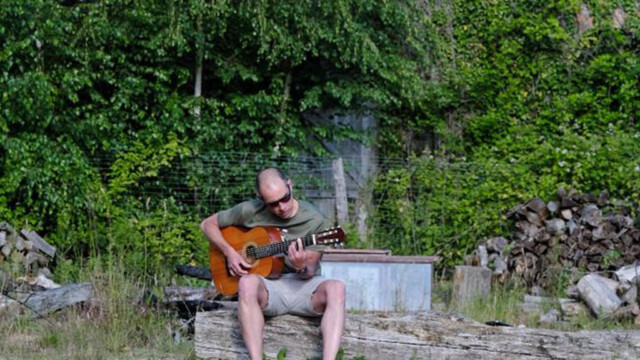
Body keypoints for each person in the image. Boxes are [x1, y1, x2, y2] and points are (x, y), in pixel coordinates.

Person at [200, 167, 346, 360]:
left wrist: (301, 265)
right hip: (267, 287)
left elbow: (308, 272)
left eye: (285, 198)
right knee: (246, 283)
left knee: (337, 288)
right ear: (261, 199)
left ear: (290, 185)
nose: (282, 207)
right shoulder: (249, 211)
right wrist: (230, 252)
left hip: (303, 286)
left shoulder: (314, 219)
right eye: (273, 204)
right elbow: (207, 224)